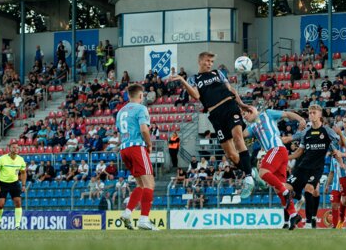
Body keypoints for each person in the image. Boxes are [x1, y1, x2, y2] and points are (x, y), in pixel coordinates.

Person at [170, 52, 255, 198]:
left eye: (211, 61)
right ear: (200, 61)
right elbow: (196, 96)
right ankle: (252, 172)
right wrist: (183, 81)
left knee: (238, 137)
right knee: (231, 156)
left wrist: (241, 104)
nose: (209, 64)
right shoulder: (193, 79)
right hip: (215, 114)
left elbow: (231, 90)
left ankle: (248, 178)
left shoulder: (218, 73)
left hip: (229, 107)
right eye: (207, 61)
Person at [242, 105, 305, 227]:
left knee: (262, 172)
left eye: (245, 114)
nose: (245, 117)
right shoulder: (253, 127)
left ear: (251, 110)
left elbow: (287, 114)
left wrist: (300, 119)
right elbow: (242, 135)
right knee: (278, 189)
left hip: (276, 149)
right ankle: (293, 215)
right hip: (279, 153)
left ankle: (286, 191)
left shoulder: (267, 114)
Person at [284, 105, 344, 230]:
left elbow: (339, 145)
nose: (311, 115)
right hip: (302, 167)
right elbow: (299, 151)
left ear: (320, 115)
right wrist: (286, 158)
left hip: (316, 168)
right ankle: (291, 216)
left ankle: (309, 222)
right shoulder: (306, 132)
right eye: (310, 113)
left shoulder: (327, 131)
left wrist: (340, 137)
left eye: (314, 113)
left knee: (310, 188)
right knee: (286, 189)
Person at [116, 84, 157, 231]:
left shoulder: (120, 112)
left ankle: (127, 213)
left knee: (140, 184)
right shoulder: (141, 108)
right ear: (141, 96)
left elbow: (119, 132)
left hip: (124, 149)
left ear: (128, 96)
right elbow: (144, 129)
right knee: (149, 183)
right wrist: (149, 144)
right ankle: (144, 219)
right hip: (137, 147)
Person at [0, 142, 26, 230]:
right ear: (9, 149)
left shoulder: (21, 160)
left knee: (18, 202)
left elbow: (23, 172)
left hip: (14, 183)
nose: (15, 149)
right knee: (0, 204)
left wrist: (23, 185)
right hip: (2, 183)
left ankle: (17, 226)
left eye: (17, 148)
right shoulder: (2, 159)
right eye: (13, 147)